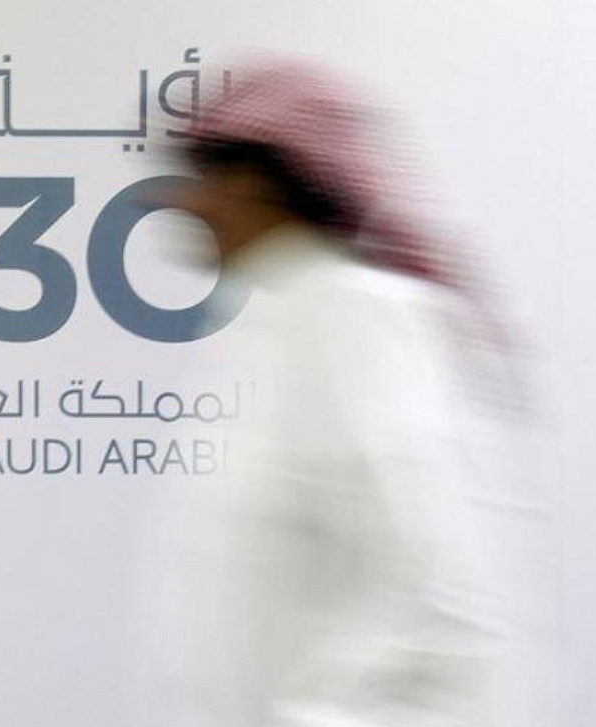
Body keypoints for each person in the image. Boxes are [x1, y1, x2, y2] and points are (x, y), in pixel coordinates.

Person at [158, 58, 532, 727]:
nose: (187, 204)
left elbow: (437, 597)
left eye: (209, 180)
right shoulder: (273, 325)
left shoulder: (354, 318)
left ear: (261, 187)